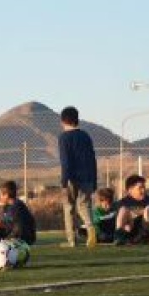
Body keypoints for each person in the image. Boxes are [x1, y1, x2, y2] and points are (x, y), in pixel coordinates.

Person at [58, 106, 98, 248]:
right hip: (87, 177)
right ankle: (90, 228)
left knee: (69, 208)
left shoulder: (64, 138)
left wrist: (64, 181)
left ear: (63, 121)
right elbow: (93, 159)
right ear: (77, 120)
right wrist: (94, 180)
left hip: (71, 178)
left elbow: (65, 161)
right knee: (84, 206)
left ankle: (71, 240)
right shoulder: (86, 136)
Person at [0, 180, 36, 245]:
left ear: (6, 195)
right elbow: (6, 224)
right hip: (14, 234)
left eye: (0, 195)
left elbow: (17, 228)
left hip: (23, 237)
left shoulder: (17, 207)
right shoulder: (7, 207)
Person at [115, 175, 149, 246]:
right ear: (130, 190)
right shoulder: (123, 202)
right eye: (140, 188)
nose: (143, 190)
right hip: (131, 230)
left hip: (146, 230)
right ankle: (119, 238)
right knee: (123, 210)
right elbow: (121, 219)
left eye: (144, 187)